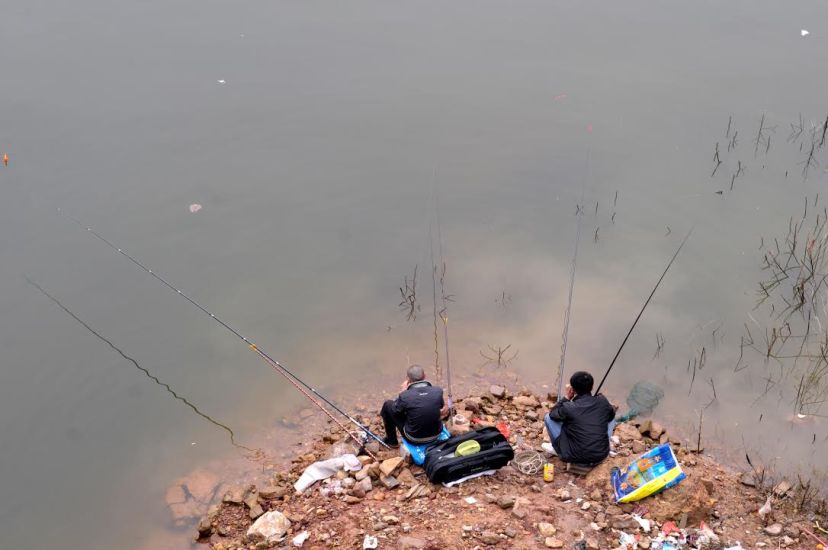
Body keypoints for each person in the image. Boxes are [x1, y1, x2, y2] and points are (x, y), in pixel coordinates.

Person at [542, 371, 616, 464]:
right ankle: (601, 444)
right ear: (592, 387)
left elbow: (553, 413)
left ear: (572, 389)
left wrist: (566, 398)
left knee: (548, 418)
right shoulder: (602, 401)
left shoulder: (569, 407)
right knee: (610, 415)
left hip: (572, 456)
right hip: (600, 456)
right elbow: (611, 416)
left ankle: (557, 448)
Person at [380, 365, 447, 448]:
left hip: (414, 438)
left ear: (408, 379)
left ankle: (392, 441)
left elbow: (395, 410)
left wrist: (403, 392)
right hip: (436, 434)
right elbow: (440, 407)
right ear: (425, 376)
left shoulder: (405, 395)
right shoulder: (437, 391)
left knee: (388, 405)